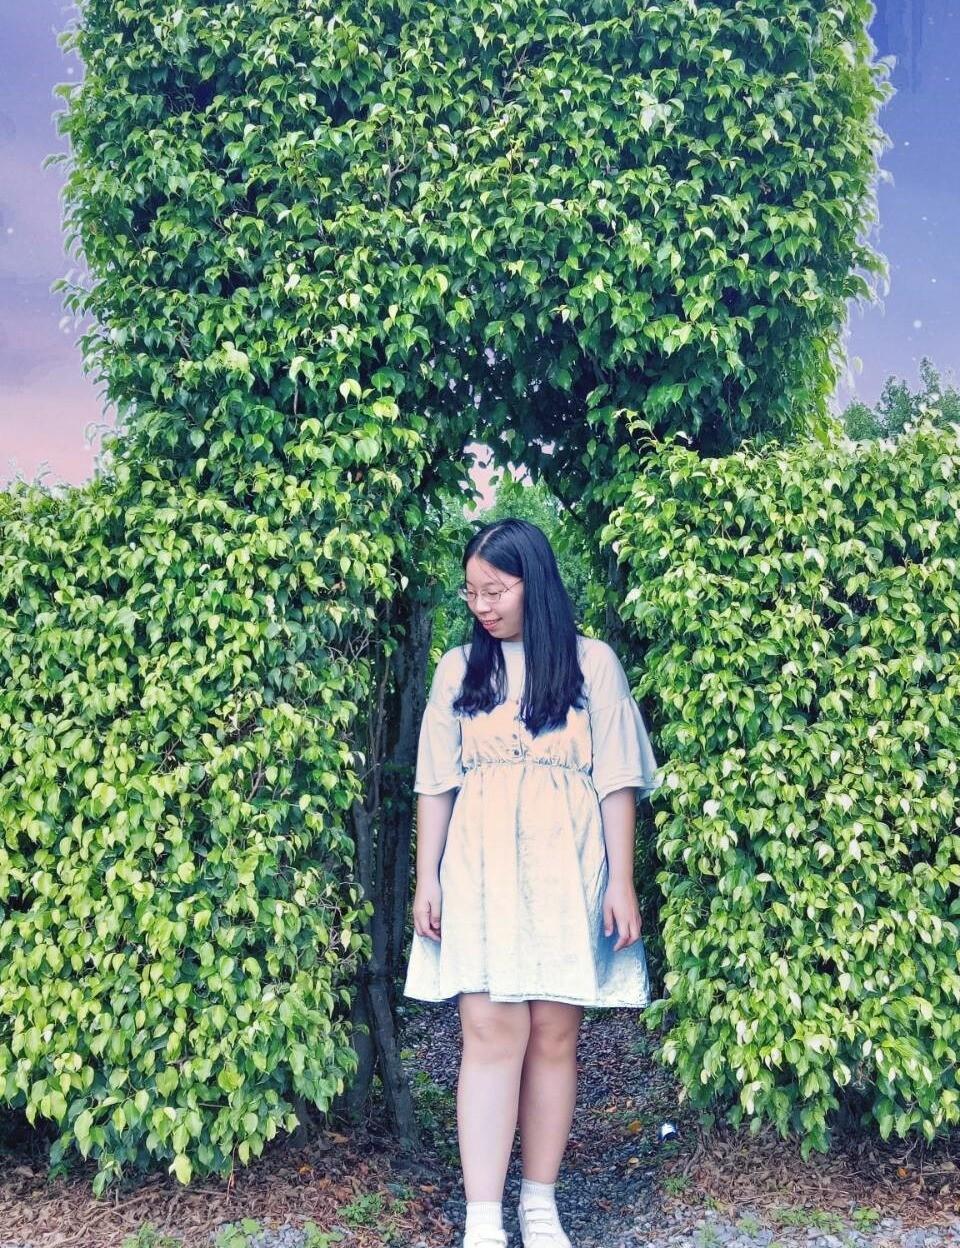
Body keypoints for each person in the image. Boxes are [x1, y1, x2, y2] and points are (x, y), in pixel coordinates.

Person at [403, 517, 660, 1248]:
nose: (482, 606)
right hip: (479, 865)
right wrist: (427, 878)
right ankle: (483, 1219)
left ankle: (540, 1206)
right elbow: (436, 783)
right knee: (489, 1030)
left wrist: (621, 881)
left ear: (534, 583)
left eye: (497, 590)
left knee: (553, 1033)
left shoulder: (592, 663)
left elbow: (617, 779)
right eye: (472, 593)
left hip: (566, 863)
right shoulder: (458, 668)